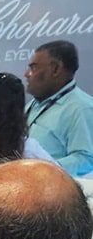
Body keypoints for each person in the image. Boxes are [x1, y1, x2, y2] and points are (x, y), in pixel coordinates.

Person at [24, 40, 93, 177]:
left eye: (33, 68)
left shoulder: (82, 108)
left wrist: (43, 170)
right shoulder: (33, 104)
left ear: (55, 69)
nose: (26, 74)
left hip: (53, 187)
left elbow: (86, 160)